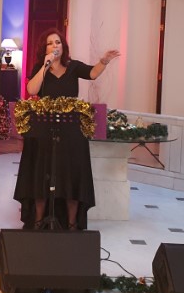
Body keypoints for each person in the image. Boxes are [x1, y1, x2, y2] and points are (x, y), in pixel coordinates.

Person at [13, 28, 120, 230]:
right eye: (50, 43)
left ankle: (72, 223)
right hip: (44, 131)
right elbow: (32, 90)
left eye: (58, 42)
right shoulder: (40, 67)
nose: (55, 46)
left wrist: (104, 61)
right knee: (42, 174)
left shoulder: (73, 67)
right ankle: (38, 221)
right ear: (45, 49)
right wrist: (45, 66)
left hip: (71, 131)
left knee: (71, 175)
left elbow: (92, 73)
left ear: (63, 46)